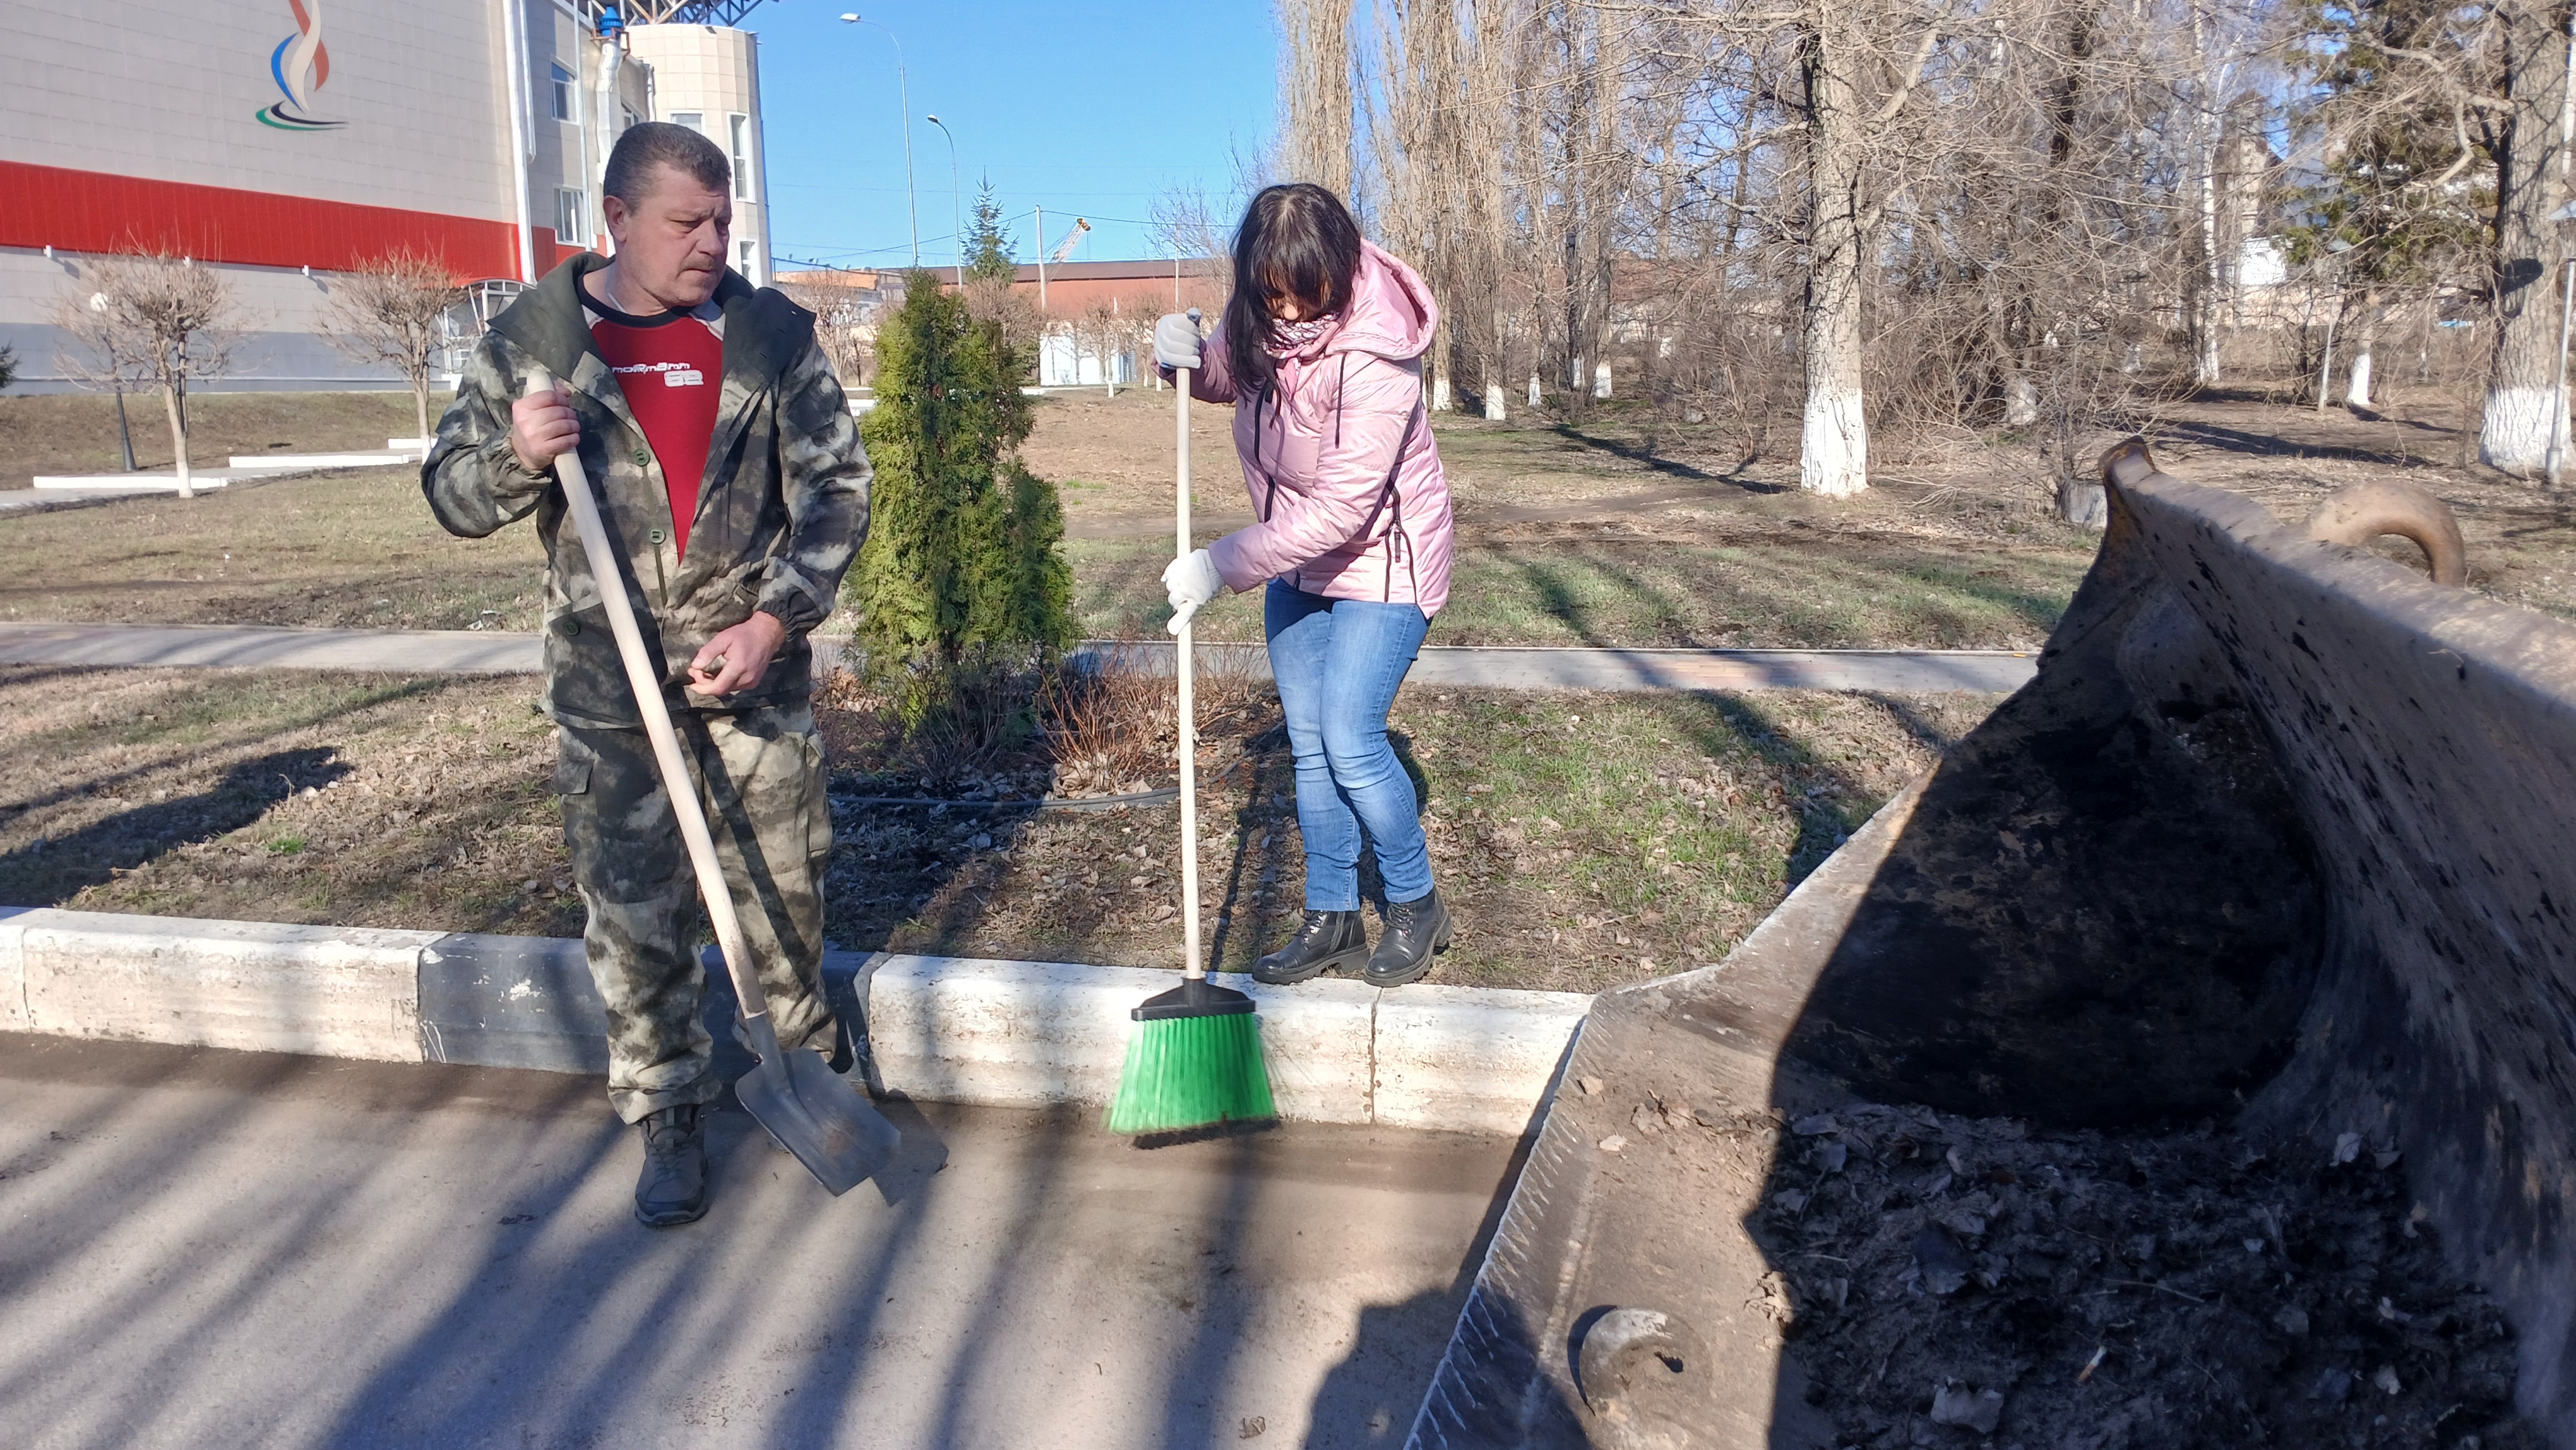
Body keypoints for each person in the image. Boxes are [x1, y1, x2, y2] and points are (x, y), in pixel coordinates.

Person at [422, 123, 872, 1227]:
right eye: (687, 222)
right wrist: (515, 457)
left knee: (784, 889)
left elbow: (840, 493)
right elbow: (450, 499)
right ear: (616, 219)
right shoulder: (537, 342)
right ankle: (668, 1105)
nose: (713, 241)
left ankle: (810, 1071)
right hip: (606, 685)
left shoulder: (770, 338)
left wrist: (776, 623)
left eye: (722, 219)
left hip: (748, 675)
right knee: (633, 912)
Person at [1153, 183, 1458, 989]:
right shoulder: (1262, 319)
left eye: (1303, 295)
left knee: (1352, 739)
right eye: (1270, 296)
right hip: (1297, 562)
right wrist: (1178, 352)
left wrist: (1221, 564)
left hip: (1382, 559)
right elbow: (1224, 374)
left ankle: (1417, 904)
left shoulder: (1378, 351)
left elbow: (1343, 508)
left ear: (1339, 268)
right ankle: (1331, 918)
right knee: (1310, 748)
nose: (1286, 316)